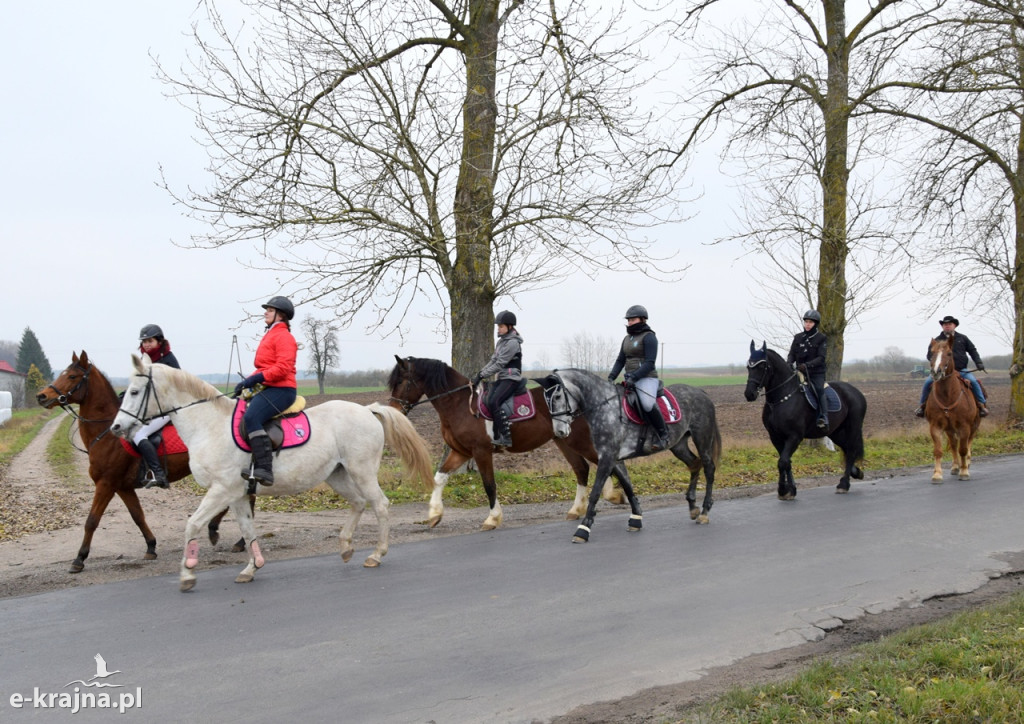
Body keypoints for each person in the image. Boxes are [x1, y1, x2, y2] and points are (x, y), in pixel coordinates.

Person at [234, 296, 298, 485]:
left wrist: (257, 378)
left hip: (282, 389)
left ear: (281, 315)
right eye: (267, 310)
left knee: (252, 418)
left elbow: (283, 368)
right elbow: (265, 367)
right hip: (270, 386)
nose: (266, 313)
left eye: (270, 310)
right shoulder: (271, 334)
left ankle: (265, 469)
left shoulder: (284, 336)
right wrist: (247, 382)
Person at [608, 304, 669, 451]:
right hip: (630, 378)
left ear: (642, 319)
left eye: (632, 320)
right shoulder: (627, 339)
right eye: (628, 320)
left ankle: (663, 434)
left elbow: (649, 363)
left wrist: (634, 377)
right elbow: (620, 361)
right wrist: (611, 377)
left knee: (647, 404)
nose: (629, 322)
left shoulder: (649, 337)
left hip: (647, 378)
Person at [133, 324, 182, 488]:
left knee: (139, 434)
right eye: (144, 341)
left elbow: (176, 385)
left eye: (150, 341)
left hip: (168, 407)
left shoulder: (168, 359)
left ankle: (158, 474)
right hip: (152, 407)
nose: (146, 344)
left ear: (159, 341)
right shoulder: (145, 360)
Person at [915, 315, 988, 417]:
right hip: (942, 372)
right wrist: (936, 361)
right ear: (942, 326)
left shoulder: (962, 338)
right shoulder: (937, 340)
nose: (947, 326)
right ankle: (922, 407)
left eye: (949, 324)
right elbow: (929, 355)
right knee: (927, 383)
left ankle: (981, 405)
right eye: (945, 324)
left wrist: (979, 362)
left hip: (961, 370)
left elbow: (972, 350)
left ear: (954, 325)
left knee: (974, 382)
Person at [471, 311, 523, 448]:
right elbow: (493, 361)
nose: (498, 329)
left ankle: (506, 437)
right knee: (487, 399)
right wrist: (480, 373)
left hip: (511, 379)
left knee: (495, 401)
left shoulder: (512, 343)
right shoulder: (501, 342)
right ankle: (494, 433)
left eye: (501, 326)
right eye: (498, 326)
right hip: (502, 378)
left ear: (510, 327)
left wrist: (482, 376)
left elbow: (500, 363)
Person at [787, 310, 829, 429]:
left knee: (818, 389)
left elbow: (821, 358)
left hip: (816, 373)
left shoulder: (821, 338)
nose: (808, 324)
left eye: (810, 322)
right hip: (799, 372)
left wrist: (807, 365)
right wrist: (789, 362)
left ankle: (823, 416)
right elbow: (792, 354)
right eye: (806, 322)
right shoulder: (798, 337)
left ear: (815, 324)